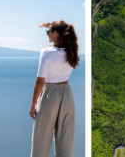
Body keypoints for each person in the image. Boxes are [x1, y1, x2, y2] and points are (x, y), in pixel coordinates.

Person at [30, 20, 79, 157]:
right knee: (65, 140)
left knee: (41, 138)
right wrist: (50, 25)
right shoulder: (72, 51)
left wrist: (33, 103)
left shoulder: (46, 53)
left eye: (48, 32)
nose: (47, 35)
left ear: (56, 34)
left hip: (49, 95)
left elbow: (40, 81)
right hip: (67, 94)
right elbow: (65, 28)